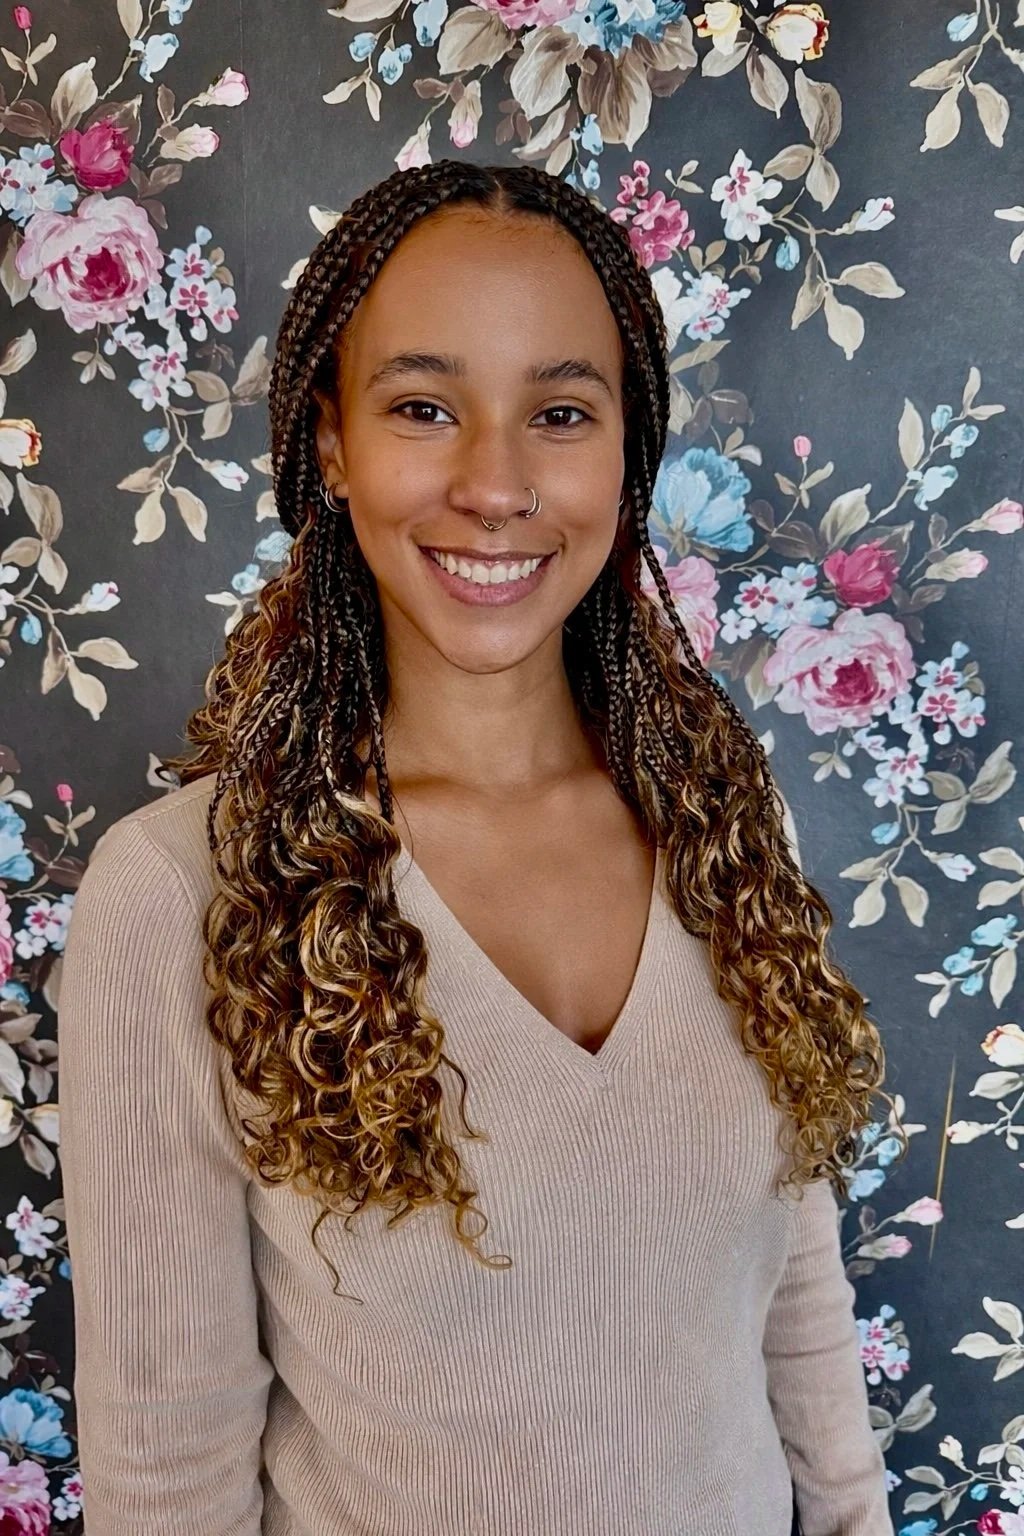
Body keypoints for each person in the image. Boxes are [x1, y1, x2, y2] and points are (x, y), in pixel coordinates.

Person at [57, 159, 903, 1536]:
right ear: (333, 443)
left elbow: (789, 1278)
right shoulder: (178, 895)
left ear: (626, 450)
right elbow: (169, 1465)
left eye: (560, 413)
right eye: (423, 407)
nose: (496, 485)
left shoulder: (727, 820)